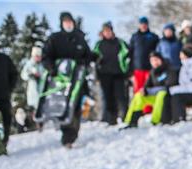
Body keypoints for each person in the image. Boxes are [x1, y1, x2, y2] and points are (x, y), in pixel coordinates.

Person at [41, 12, 92, 147]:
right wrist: (51, 68)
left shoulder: (80, 38)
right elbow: (46, 56)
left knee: (77, 106)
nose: (68, 24)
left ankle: (73, 131)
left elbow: (88, 55)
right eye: (65, 22)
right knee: (64, 106)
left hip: (78, 79)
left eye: (70, 22)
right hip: (61, 80)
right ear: (62, 24)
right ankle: (67, 135)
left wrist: (84, 63)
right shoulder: (55, 38)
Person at [123, 52, 178, 128]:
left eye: (156, 60)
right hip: (154, 96)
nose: (154, 62)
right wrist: (144, 90)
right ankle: (131, 121)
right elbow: (146, 86)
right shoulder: (152, 72)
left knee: (161, 94)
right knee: (138, 95)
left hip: (167, 97)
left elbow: (168, 87)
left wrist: (150, 91)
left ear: (161, 59)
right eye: (152, 61)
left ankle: (155, 121)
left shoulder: (169, 69)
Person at [93, 22, 130, 126]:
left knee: (121, 97)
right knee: (107, 97)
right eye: (105, 31)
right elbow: (94, 59)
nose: (107, 33)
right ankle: (109, 119)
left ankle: (125, 116)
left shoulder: (120, 43)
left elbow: (128, 54)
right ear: (102, 32)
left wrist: (127, 71)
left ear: (112, 31)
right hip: (104, 74)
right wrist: (97, 75)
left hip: (119, 74)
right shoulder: (99, 44)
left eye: (109, 30)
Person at [129, 16, 160, 93]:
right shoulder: (134, 37)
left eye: (145, 24)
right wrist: (130, 71)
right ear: (139, 25)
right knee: (138, 91)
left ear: (147, 25)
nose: (143, 25)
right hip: (137, 69)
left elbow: (158, 52)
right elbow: (130, 53)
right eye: (142, 24)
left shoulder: (154, 37)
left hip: (150, 69)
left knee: (149, 90)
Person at [20, 46, 45, 123]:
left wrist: (41, 76)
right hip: (33, 90)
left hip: (42, 88)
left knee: (43, 105)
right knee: (35, 107)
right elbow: (23, 75)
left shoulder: (43, 64)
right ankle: (37, 123)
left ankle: (43, 121)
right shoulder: (29, 64)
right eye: (36, 56)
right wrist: (30, 75)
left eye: (39, 56)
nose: (38, 58)